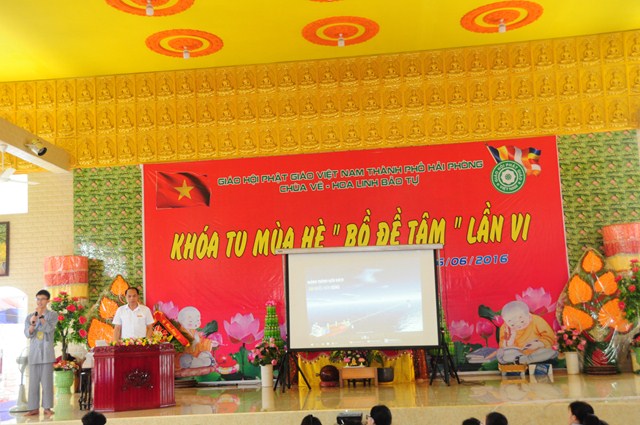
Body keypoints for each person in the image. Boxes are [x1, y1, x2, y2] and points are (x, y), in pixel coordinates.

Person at [23, 289, 58, 416]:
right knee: (33, 383)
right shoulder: (29, 316)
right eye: (38, 299)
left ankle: (47, 408)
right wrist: (33, 323)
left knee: (47, 382)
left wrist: (41, 317)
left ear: (48, 300)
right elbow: (27, 334)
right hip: (34, 353)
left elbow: (49, 329)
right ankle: (33, 408)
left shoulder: (52, 315)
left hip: (47, 353)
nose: (40, 301)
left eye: (42, 299)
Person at [496, 300, 557, 365]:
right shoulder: (505, 328)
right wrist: (509, 341)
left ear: (528, 315)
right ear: (506, 321)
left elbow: (550, 336)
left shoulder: (537, 320)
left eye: (522, 321)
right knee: (504, 354)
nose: (519, 325)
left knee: (549, 352)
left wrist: (539, 343)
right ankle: (523, 359)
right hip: (517, 354)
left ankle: (526, 359)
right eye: (513, 325)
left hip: (537, 351)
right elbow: (502, 345)